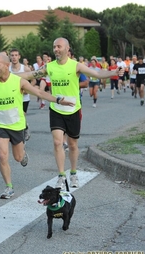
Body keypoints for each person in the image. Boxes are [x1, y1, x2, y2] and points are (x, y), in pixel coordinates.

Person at [16, 37, 122, 190]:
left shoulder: (76, 66)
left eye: (59, 46)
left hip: (73, 109)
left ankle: (73, 172)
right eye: (54, 47)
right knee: (58, 142)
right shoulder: (49, 67)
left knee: (72, 144)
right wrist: (7, 75)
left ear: (67, 48)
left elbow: (97, 74)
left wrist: (114, 72)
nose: (56, 49)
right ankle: (61, 175)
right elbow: (30, 75)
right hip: (56, 109)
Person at [0, 54, 74, 199]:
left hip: (17, 125)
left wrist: (58, 100)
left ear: (7, 65)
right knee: (2, 156)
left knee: (18, 157)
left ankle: (22, 154)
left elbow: (39, 92)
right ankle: (9, 187)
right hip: (0, 125)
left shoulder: (19, 81)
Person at [9, 48, 32, 141]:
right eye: (12, 55)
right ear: (9, 57)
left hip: (24, 97)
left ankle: (22, 133)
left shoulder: (25, 68)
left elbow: (34, 80)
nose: (14, 57)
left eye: (16, 55)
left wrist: (28, 89)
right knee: (14, 115)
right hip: (13, 96)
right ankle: (22, 129)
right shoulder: (8, 69)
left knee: (21, 115)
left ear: (19, 57)